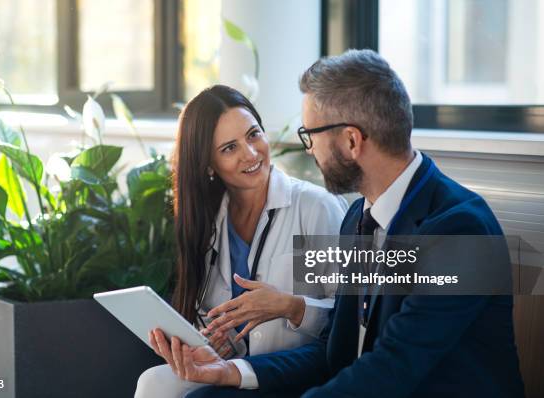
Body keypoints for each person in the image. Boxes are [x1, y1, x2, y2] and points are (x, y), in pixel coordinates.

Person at [153, 50, 526, 398]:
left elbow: (393, 369)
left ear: (351, 141)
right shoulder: (358, 219)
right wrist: (233, 372)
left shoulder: (459, 229)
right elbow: (332, 353)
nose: (308, 149)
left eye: (310, 135)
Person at [134, 85, 348, 397]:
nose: (250, 153)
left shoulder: (315, 206)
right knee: (153, 383)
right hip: (233, 367)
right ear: (208, 165)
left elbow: (350, 318)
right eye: (229, 148)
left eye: (253, 134)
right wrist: (213, 338)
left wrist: (290, 306)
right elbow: (207, 311)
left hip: (293, 371)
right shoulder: (208, 220)